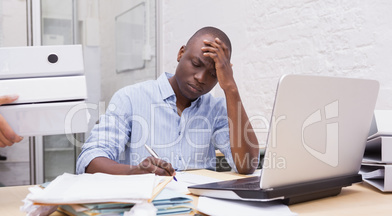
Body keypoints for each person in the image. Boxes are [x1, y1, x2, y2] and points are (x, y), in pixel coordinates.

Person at [76, 26, 259, 176]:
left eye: (213, 74)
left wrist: (231, 88)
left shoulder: (216, 109)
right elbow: (90, 160)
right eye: (196, 64)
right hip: (146, 210)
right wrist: (135, 172)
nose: (201, 78)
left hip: (199, 210)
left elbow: (247, 165)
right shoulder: (130, 98)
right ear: (181, 53)